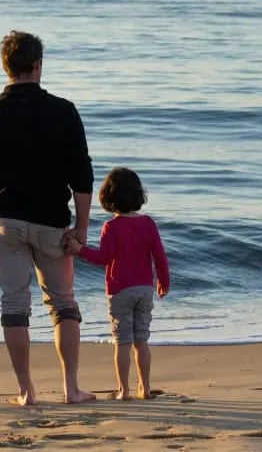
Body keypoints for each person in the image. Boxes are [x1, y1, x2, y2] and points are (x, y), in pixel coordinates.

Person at [0, 30, 95, 406]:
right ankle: (71, 388)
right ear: (38, 65)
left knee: (14, 306)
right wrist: (83, 228)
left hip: (7, 223)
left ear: (5, 66)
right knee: (63, 304)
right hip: (52, 222)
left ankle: (26, 391)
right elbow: (82, 176)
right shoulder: (63, 111)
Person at [66, 167, 171, 401]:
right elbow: (160, 256)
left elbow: (103, 259)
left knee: (122, 342)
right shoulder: (148, 224)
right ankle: (145, 388)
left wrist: (79, 250)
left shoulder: (111, 227)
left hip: (119, 290)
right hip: (144, 289)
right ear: (138, 195)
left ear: (108, 197)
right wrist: (163, 281)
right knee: (141, 340)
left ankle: (124, 390)